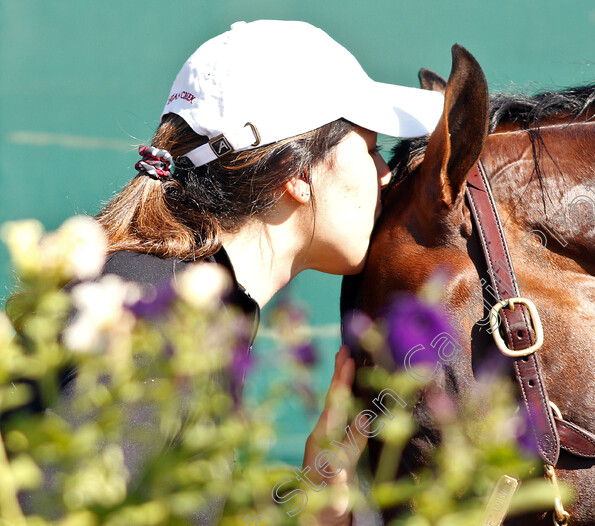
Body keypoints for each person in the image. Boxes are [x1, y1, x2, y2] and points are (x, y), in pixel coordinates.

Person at [20, 19, 443, 525]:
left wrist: (311, 505)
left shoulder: (182, 308)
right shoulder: (153, 319)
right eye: (371, 148)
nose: (385, 173)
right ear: (298, 172)